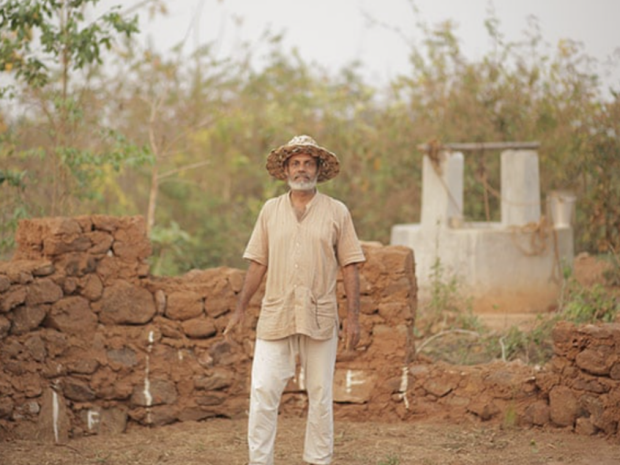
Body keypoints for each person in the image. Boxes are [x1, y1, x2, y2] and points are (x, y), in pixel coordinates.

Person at [224, 135, 365, 465]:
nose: (302, 169)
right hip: (276, 314)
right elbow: (258, 261)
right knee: (262, 393)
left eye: (308, 163)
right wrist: (240, 310)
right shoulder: (270, 211)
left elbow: (351, 265)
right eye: (295, 163)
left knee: (320, 395)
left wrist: (354, 318)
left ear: (318, 169)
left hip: (320, 316)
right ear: (286, 169)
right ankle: (260, 461)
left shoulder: (336, 211)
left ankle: (318, 460)